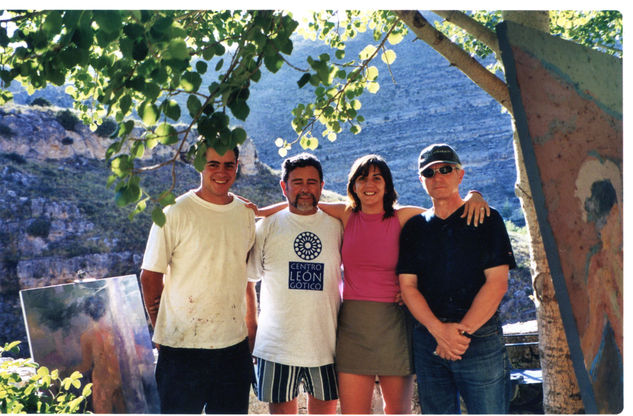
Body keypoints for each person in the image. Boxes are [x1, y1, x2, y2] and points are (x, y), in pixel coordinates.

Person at [253, 153, 490, 414]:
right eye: (362, 178)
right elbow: (301, 203)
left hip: (395, 323)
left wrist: (474, 195)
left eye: (377, 178)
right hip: (352, 326)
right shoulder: (345, 214)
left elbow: (445, 214)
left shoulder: (403, 217)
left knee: (397, 411)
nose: (370, 184)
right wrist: (259, 211)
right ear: (353, 185)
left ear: (387, 184)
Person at [397, 143, 516, 414]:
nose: (437, 177)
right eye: (429, 172)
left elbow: (497, 283)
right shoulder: (414, 228)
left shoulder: (487, 219)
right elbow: (408, 286)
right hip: (430, 341)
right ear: (421, 181)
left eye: (445, 169)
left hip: (479, 337)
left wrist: (459, 334)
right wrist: (440, 332)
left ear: (460, 175)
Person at [139, 144, 257, 414]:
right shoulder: (175, 212)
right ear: (199, 165)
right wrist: (161, 328)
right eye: (213, 164)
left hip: (232, 348)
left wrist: (251, 327)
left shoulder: (246, 214)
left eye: (229, 164)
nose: (221, 172)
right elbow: (150, 276)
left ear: (237, 166)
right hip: (182, 349)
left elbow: (243, 274)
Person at [247, 153, 343, 414]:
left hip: (327, 345)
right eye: (297, 182)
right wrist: (252, 330)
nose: (304, 189)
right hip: (276, 346)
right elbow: (248, 281)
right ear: (283, 186)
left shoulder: (338, 226)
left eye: (312, 182)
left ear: (322, 186)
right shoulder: (266, 227)